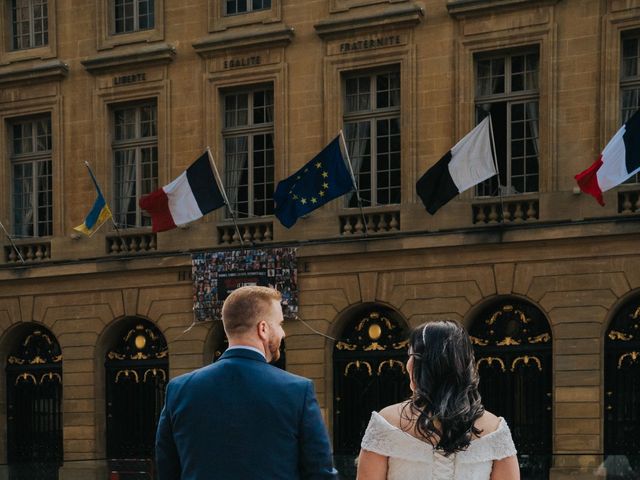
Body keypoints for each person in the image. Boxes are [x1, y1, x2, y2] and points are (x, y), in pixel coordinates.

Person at [156, 286, 338, 480]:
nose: (283, 333)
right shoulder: (297, 391)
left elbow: (167, 469)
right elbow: (320, 474)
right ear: (263, 329)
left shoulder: (179, 390)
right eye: (280, 324)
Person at [357, 320, 520, 480]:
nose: (407, 364)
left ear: (420, 364)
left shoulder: (387, 422)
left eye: (410, 356)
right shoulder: (495, 429)